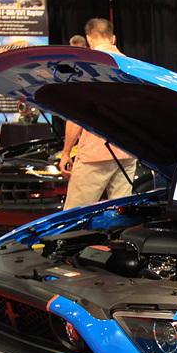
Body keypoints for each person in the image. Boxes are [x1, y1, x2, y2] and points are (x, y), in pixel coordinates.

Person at [60, 18, 138, 210]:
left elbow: (77, 115)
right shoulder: (133, 67)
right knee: (121, 214)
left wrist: (66, 152)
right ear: (113, 39)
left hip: (95, 154)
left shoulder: (85, 67)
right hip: (127, 151)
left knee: (74, 216)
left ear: (88, 39)